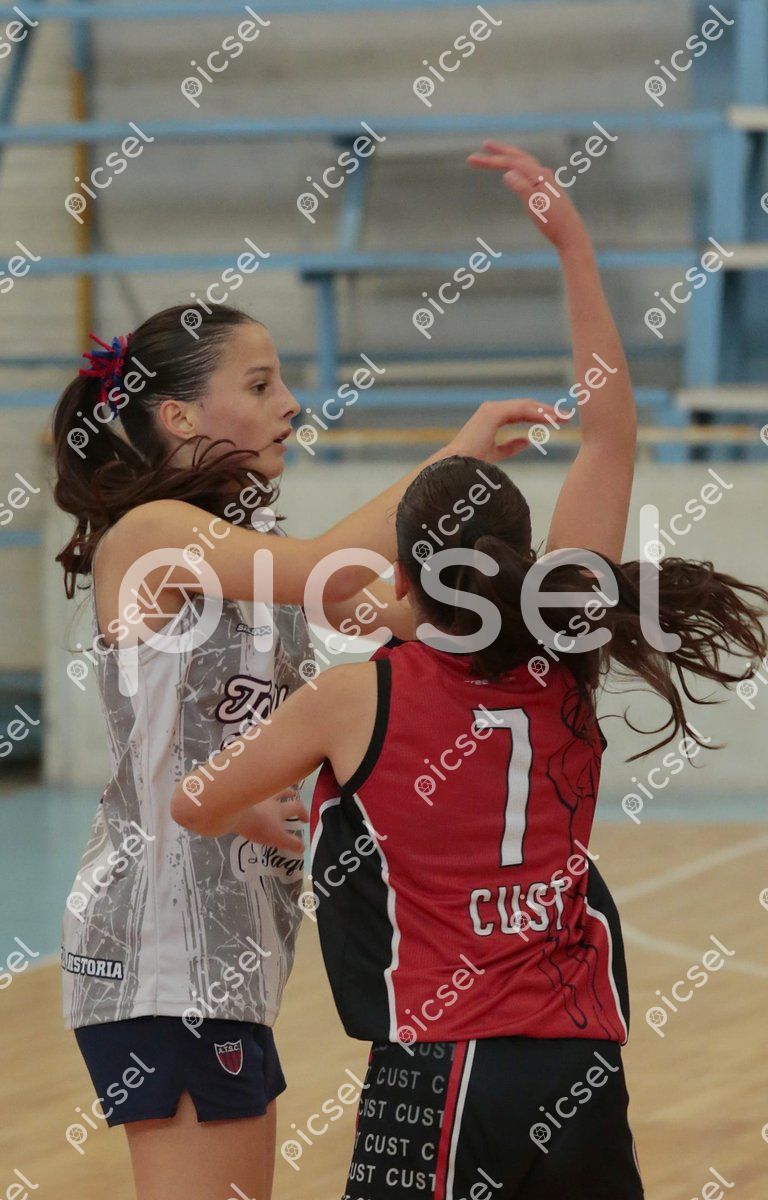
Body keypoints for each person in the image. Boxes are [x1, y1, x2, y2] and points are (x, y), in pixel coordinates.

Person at [171, 145, 768, 1199]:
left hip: (438, 1063)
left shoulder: (354, 696)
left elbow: (193, 804)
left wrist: (272, 807)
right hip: (578, 1060)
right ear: (521, 559)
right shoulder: (566, 647)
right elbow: (608, 437)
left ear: (404, 573)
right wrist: (572, 247)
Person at [52, 290, 553, 1200]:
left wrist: (552, 613)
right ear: (180, 416)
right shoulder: (154, 536)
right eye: (260, 384)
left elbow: (403, 613)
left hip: (229, 944)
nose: (290, 403)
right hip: (160, 947)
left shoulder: (250, 545)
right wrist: (458, 458)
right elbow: (329, 570)